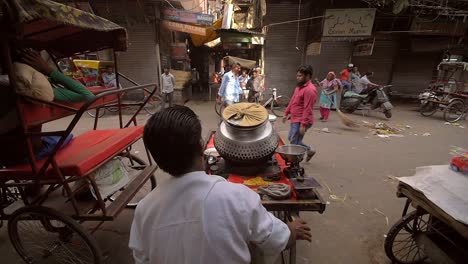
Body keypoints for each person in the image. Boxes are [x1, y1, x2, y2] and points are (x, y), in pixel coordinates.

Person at [129, 106, 312, 264]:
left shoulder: (144, 210)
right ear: (201, 146)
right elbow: (275, 239)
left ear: (157, 159)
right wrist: (291, 231)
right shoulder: (237, 197)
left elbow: (141, 258)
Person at [0, 50, 94, 166]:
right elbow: (88, 96)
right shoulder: (37, 91)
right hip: (29, 153)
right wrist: (49, 71)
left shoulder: (34, 88)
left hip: (17, 152)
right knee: (65, 138)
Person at [283, 65, 317, 162]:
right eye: (297, 75)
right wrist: (286, 113)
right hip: (295, 118)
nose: (297, 78)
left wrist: (303, 125)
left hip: (302, 120)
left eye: (300, 76)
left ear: (308, 76)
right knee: (292, 138)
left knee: (295, 142)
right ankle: (309, 150)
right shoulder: (299, 87)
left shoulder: (310, 90)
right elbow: (293, 100)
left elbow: (308, 108)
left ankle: (296, 161)